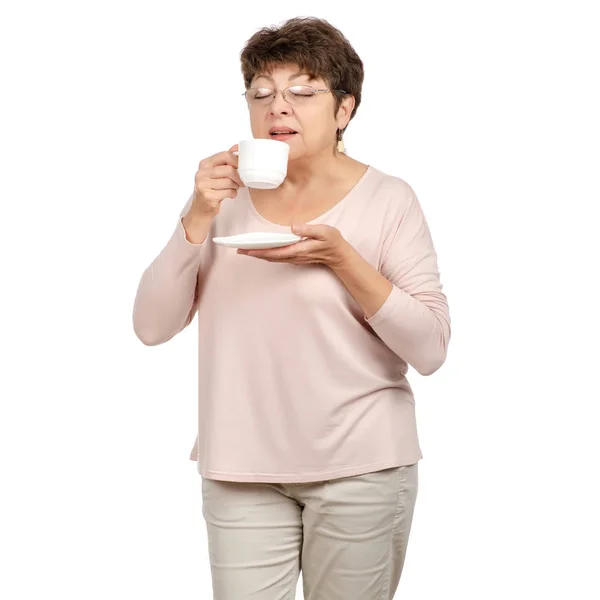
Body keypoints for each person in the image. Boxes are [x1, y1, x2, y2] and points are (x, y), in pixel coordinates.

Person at [132, 16, 451, 600]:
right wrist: (197, 216)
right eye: (262, 93)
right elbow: (151, 326)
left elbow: (430, 348)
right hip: (240, 468)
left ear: (344, 111)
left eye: (302, 92)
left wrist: (343, 259)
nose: (278, 106)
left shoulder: (389, 199)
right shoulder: (221, 198)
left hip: (361, 463)